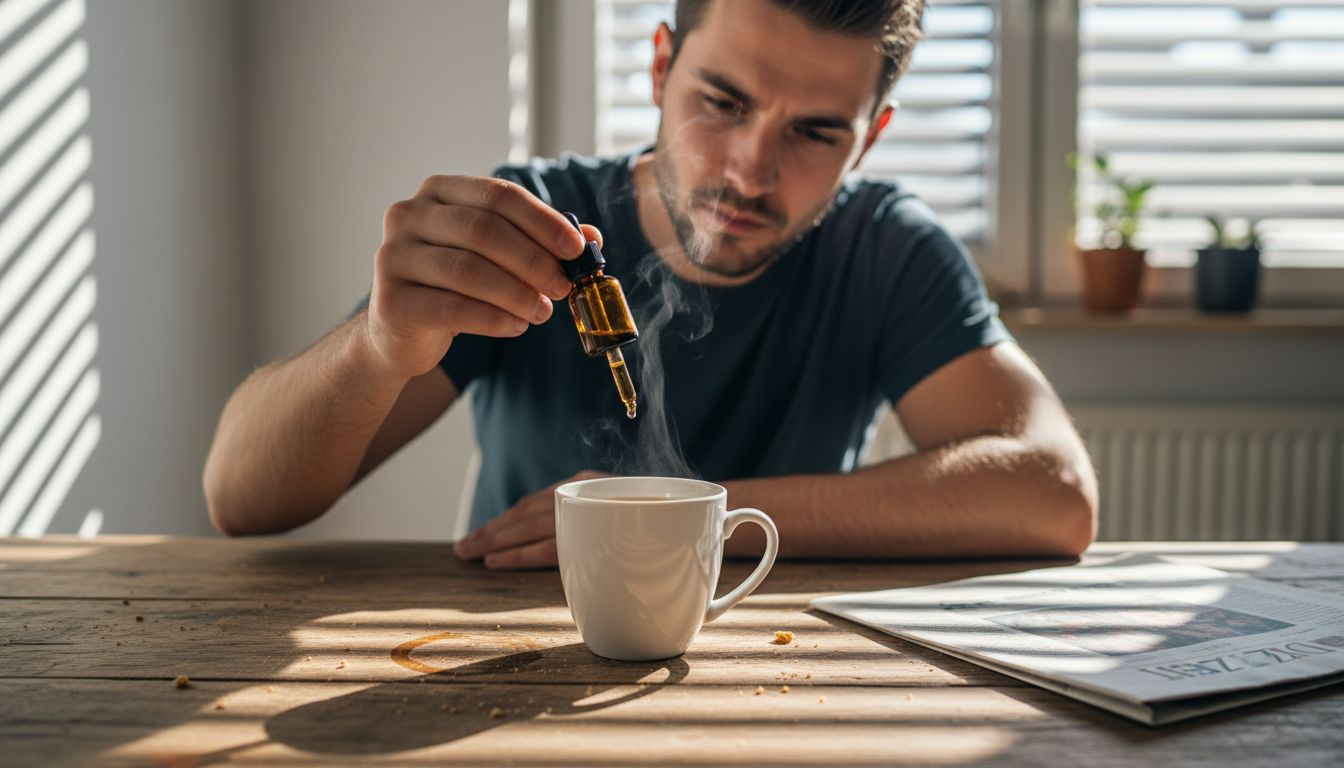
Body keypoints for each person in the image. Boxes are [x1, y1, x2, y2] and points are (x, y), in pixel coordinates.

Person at [204, 0, 1098, 568]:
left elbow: (1054, 493)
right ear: (662, 66)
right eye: (724, 101)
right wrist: (375, 349)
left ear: (869, 137)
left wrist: (687, 516)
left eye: (817, 133)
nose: (751, 173)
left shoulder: (886, 251)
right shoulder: (534, 220)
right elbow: (243, 502)